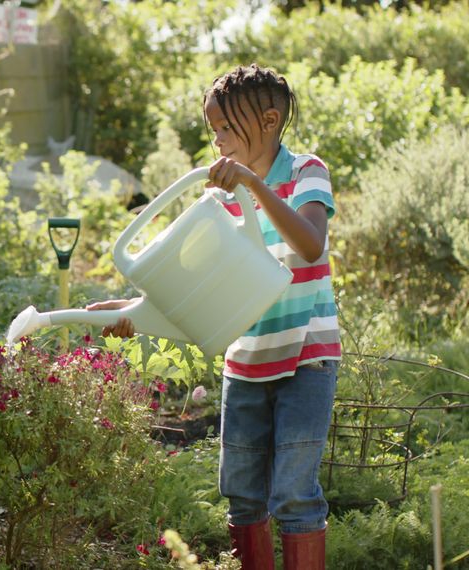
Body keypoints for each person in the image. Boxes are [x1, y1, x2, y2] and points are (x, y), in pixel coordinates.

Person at [89, 63, 340, 570]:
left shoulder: (303, 173)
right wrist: (126, 309)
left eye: (226, 128)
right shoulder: (221, 201)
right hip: (245, 364)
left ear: (269, 120)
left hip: (304, 362)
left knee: (293, 495)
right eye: (214, 131)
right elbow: (193, 286)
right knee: (244, 497)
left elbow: (310, 246)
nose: (218, 141)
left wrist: (252, 184)